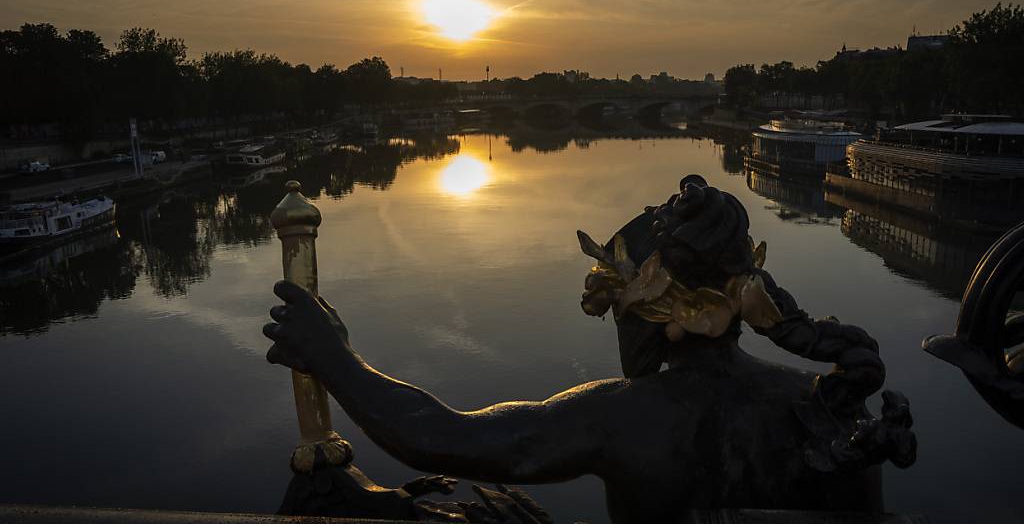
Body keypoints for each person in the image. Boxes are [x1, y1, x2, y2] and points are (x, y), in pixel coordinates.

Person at [263, 175, 914, 523]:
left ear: (654, 310)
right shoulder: (829, 406)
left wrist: (333, 356)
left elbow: (440, 437)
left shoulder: (626, 415)